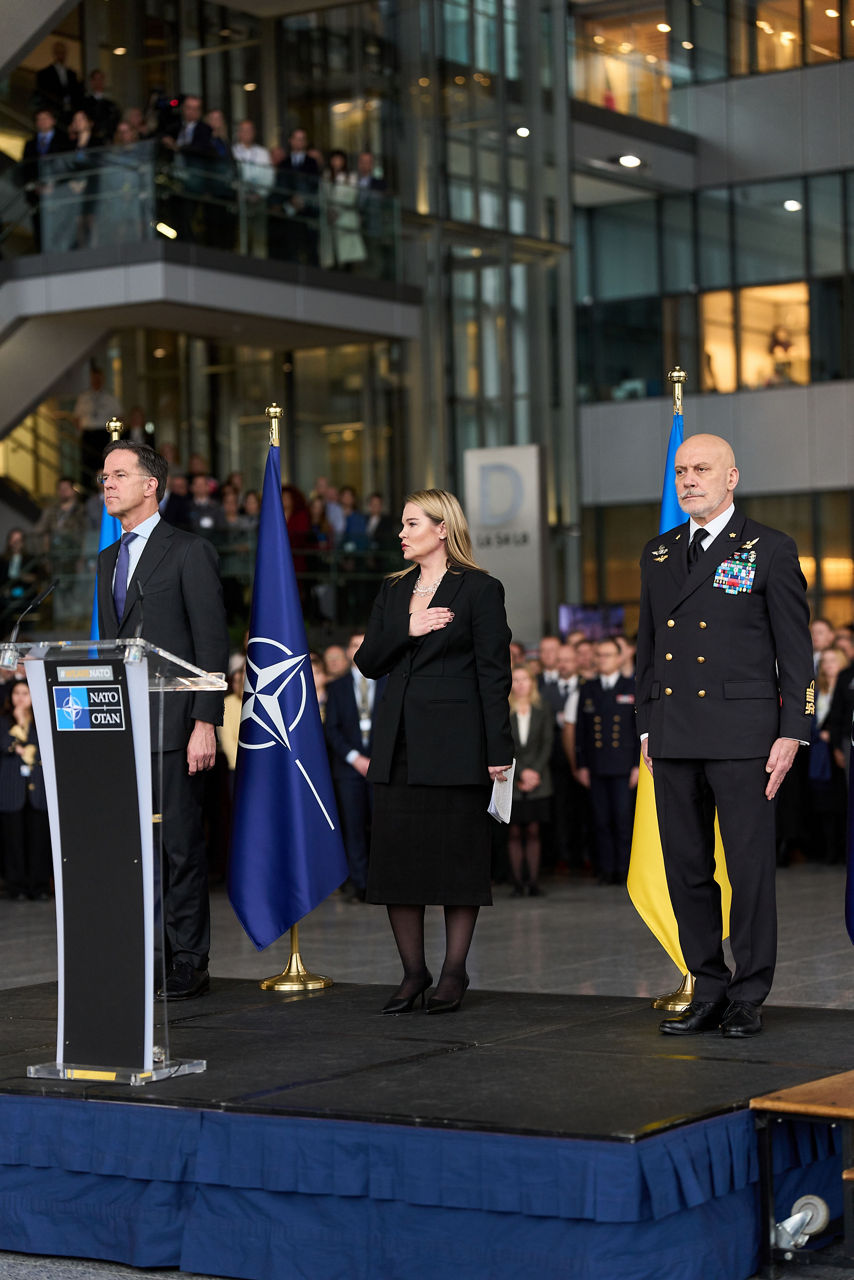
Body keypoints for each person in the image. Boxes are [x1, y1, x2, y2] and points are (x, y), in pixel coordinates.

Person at [636, 433, 814, 1038]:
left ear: (731, 477)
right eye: (682, 470)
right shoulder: (658, 553)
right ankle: (708, 985)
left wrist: (794, 732)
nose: (689, 479)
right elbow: (648, 651)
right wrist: (644, 726)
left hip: (745, 738)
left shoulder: (769, 548)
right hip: (675, 733)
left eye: (702, 469)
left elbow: (797, 656)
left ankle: (749, 993)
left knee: (748, 870)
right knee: (687, 868)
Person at [354, 488, 513, 1015]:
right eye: (402, 524)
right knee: (399, 864)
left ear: (442, 529)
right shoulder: (393, 591)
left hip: (457, 748)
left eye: (411, 523)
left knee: (457, 863)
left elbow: (494, 675)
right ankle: (413, 972)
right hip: (398, 747)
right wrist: (409, 627)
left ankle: (452, 973)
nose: (401, 533)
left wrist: (500, 749)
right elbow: (369, 662)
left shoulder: (479, 589)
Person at [97, 441, 229, 1000]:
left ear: (151, 485)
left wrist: (204, 722)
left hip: (176, 727)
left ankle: (187, 959)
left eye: (119, 475)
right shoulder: (107, 558)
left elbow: (211, 643)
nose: (107, 484)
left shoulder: (188, 551)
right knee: (133, 850)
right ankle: (142, 954)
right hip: (123, 727)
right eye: (104, 476)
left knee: (179, 847)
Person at [324, 632, 384, 903]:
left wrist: (377, 759)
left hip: (381, 767)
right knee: (353, 827)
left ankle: (382, 884)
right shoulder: (336, 687)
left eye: (364, 644)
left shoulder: (388, 681)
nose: (358, 649)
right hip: (349, 770)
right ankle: (359, 884)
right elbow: (331, 729)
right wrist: (354, 758)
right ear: (348, 652)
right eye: (353, 645)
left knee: (382, 827)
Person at [575, 636, 638, 885]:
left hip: (623, 765)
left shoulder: (630, 686)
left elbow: (637, 731)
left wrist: (636, 765)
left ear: (620, 657)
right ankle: (605, 868)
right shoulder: (588, 688)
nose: (603, 659)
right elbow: (581, 731)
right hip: (597, 764)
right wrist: (581, 764)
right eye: (599, 655)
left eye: (608, 654)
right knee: (600, 820)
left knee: (623, 819)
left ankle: (624, 869)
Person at [0, 681, 51, 901]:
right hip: (12, 790)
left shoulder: (41, 721)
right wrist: (19, 722)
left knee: (38, 840)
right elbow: (6, 744)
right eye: (17, 693)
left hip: (37, 789)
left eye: (25, 693)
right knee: (13, 841)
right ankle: (17, 887)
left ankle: (39, 886)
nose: (20, 698)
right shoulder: (3, 721)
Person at [507, 665, 552, 897]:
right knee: (514, 832)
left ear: (532, 683)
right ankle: (517, 883)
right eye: (516, 679)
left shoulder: (542, 708)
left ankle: (533, 882)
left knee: (534, 831)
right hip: (510, 777)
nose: (521, 684)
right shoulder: (503, 709)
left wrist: (534, 772)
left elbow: (547, 743)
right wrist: (521, 772)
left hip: (539, 779)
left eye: (525, 679)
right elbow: (504, 745)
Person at [807, 647, 848, 864]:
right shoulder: (816, 688)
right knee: (821, 801)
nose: (829, 664)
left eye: (833, 660)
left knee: (841, 799)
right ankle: (825, 849)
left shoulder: (846, 687)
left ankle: (840, 849)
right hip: (818, 753)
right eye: (825, 661)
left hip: (838, 750)